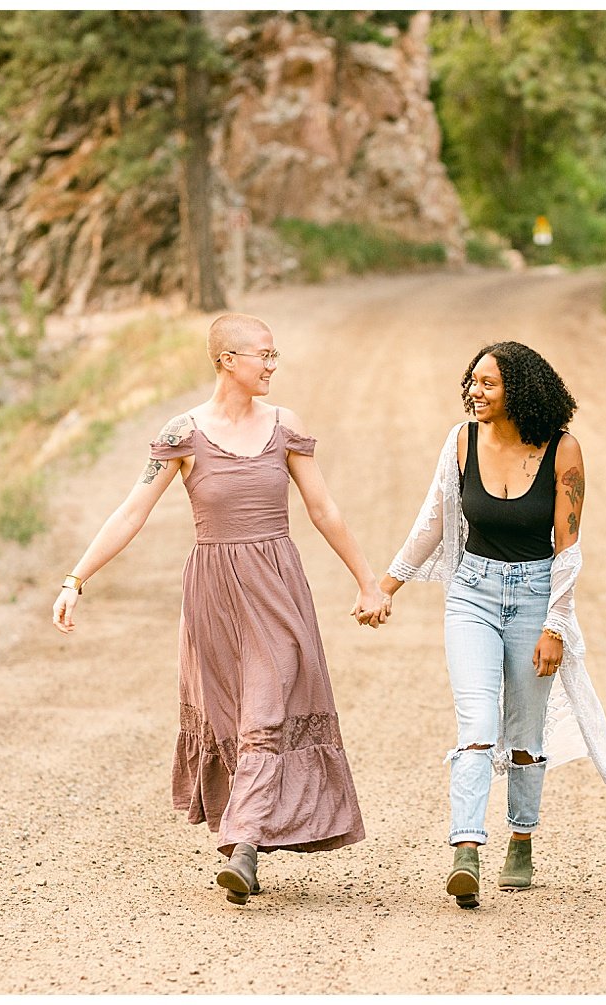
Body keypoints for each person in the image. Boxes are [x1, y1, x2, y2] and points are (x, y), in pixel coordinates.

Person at [52, 312, 386, 906]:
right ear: (226, 360)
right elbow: (132, 511)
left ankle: (245, 846)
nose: (272, 365)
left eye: (275, 353)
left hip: (278, 586)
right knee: (234, 715)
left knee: (266, 708)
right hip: (212, 593)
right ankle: (245, 840)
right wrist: (77, 578)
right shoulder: (183, 434)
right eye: (263, 354)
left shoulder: (286, 427)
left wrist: (368, 581)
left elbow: (324, 509)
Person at [378, 341, 606, 909]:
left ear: (520, 389)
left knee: (525, 729)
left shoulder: (564, 451)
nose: (474, 391)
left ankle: (521, 838)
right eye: (472, 381)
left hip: (537, 594)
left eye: (487, 383)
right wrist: (388, 584)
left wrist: (556, 628)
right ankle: (465, 848)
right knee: (476, 718)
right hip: (471, 593)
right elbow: (434, 521)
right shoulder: (461, 442)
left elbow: (568, 548)